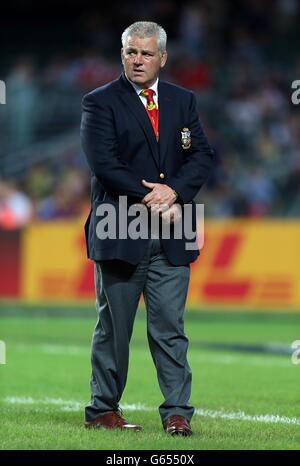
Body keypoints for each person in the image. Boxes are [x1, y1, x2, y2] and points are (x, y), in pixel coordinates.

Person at [80, 21, 214, 436]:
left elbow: (202, 156)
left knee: (171, 329)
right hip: (120, 226)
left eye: (146, 53)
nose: (138, 60)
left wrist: (174, 191)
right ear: (122, 55)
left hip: (175, 228)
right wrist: (158, 198)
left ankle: (177, 414)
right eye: (130, 52)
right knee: (115, 329)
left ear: (162, 58)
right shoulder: (99, 102)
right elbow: (104, 164)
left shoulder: (183, 100)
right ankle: (103, 410)